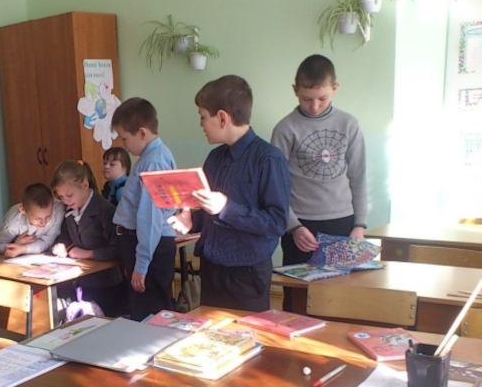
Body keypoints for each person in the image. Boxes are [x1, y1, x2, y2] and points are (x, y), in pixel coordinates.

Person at [168, 75, 290, 312]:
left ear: (222, 118)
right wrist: (192, 220)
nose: (201, 124)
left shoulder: (268, 159)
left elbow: (276, 223)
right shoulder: (215, 158)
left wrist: (226, 207)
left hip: (246, 277)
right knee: (211, 332)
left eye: (203, 116)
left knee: (247, 334)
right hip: (211, 270)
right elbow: (210, 213)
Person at [271, 54, 368, 311]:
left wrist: (359, 225)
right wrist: (292, 226)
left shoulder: (349, 124)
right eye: (306, 98)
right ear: (295, 90)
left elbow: (359, 175)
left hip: (342, 223)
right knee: (298, 302)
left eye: (322, 98)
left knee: (339, 300)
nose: (314, 106)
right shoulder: (285, 129)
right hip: (300, 226)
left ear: (335, 88)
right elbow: (275, 186)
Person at [111, 97, 178, 321]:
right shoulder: (151, 157)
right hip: (144, 245)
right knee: (147, 313)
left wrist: (141, 265)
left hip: (149, 247)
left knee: (149, 316)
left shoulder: (153, 162)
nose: (124, 145)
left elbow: (150, 218)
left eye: (125, 138)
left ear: (142, 133)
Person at [51, 160, 124, 317]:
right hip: (81, 281)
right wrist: (62, 245)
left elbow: (119, 250)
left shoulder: (106, 210)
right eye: (61, 197)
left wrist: (87, 254)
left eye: (69, 195)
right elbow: (65, 236)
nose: (65, 201)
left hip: (106, 285)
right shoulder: (69, 210)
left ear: (84, 185)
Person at [0, 183, 64, 258]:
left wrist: (23, 249)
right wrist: (14, 245)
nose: (43, 222)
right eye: (37, 218)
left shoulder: (58, 210)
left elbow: (47, 241)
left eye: (48, 216)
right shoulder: (12, 225)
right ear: (23, 210)